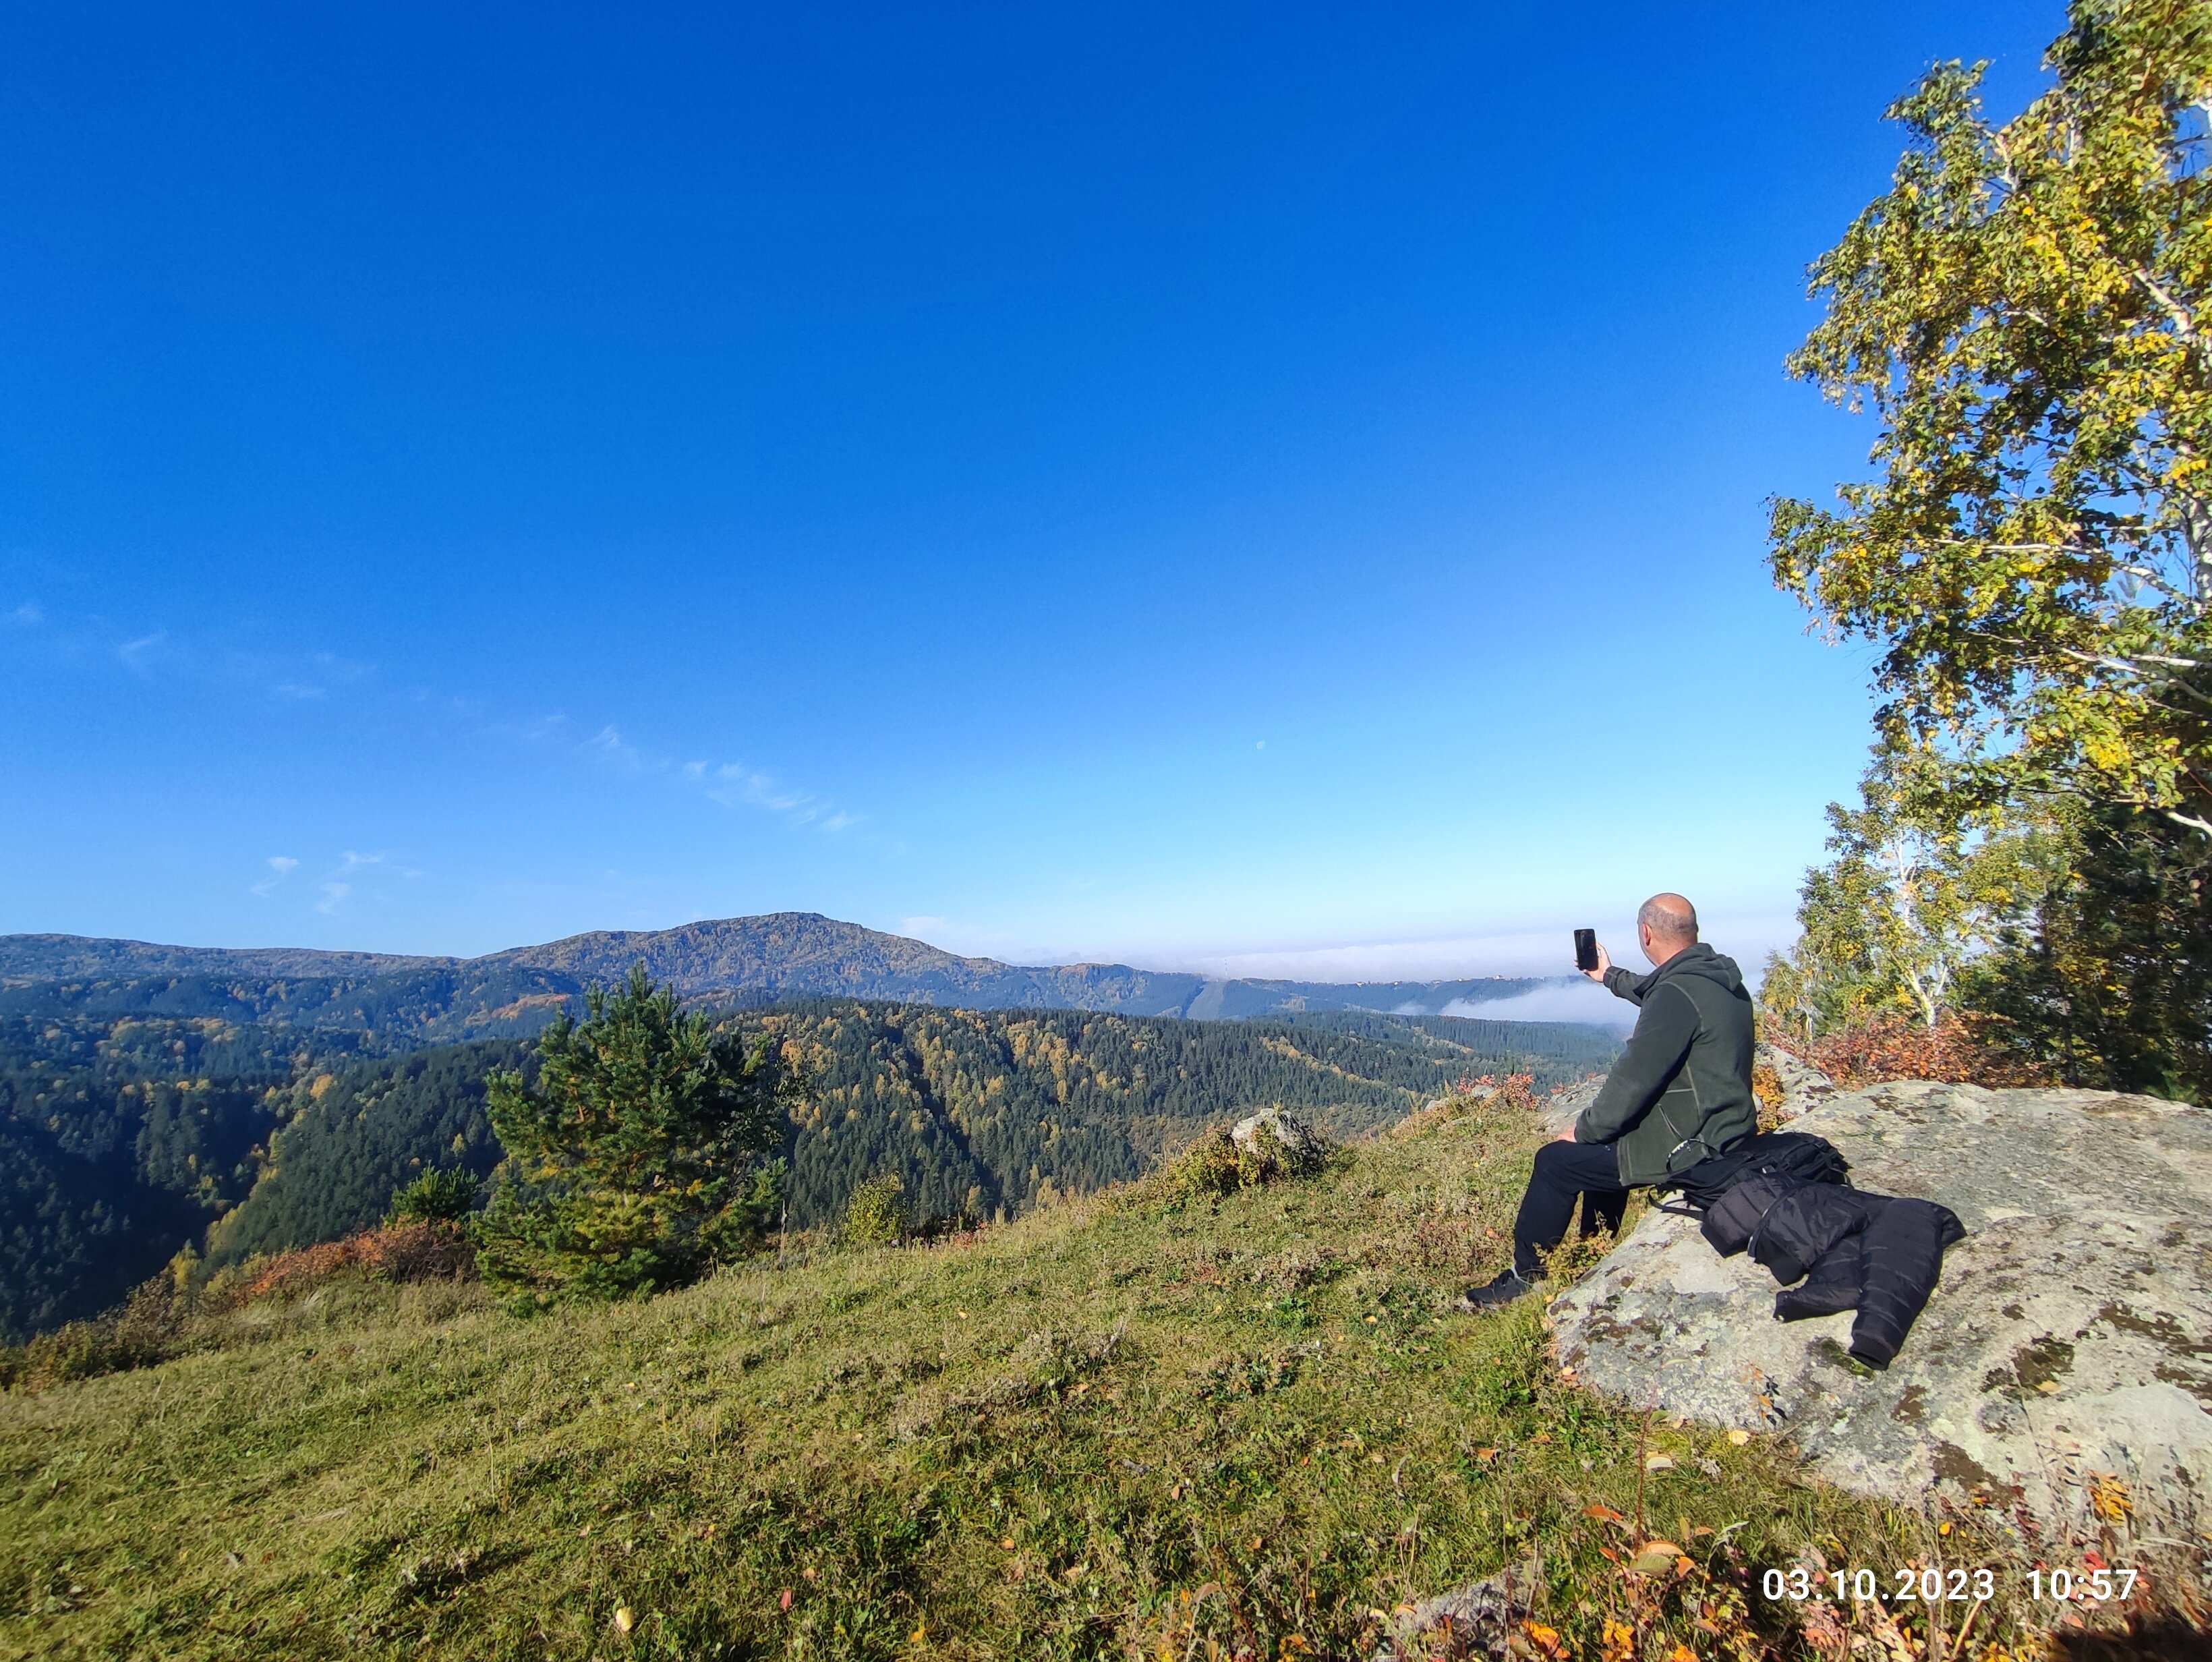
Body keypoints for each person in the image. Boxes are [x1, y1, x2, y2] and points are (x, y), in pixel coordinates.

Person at [1459, 892, 1756, 1309]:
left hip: (1695, 1144)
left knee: (1557, 1162)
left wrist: (1582, 1131)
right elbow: (1661, 996)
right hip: (1726, 1127)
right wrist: (1607, 975)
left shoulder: (1677, 994)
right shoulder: (1717, 979)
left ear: (1646, 933)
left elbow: (1633, 1080)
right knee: (1609, 1142)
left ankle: (1525, 1277)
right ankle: (1594, 1248)